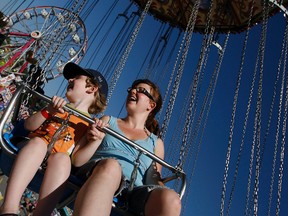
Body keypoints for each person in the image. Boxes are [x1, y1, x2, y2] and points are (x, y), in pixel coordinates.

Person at [0, 62, 108, 216]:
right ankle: (8, 209)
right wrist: (48, 110)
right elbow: (29, 126)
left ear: (91, 88)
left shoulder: (89, 125)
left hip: (55, 163)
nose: (70, 80)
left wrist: (95, 141)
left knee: (64, 160)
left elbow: (77, 160)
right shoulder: (57, 105)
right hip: (30, 148)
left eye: (76, 78)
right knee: (38, 143)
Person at [71, 79, 181, 216]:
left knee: (171, 199)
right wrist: (95, 140)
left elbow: (152, 178)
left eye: (141, 91)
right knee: (112, 166)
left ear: (151, 105)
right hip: (99, 174)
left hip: (134, 191)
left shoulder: (156, 143)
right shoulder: (107, 121)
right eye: (132, 89)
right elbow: (76, 160)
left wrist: (165, 191)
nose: (133, 91)